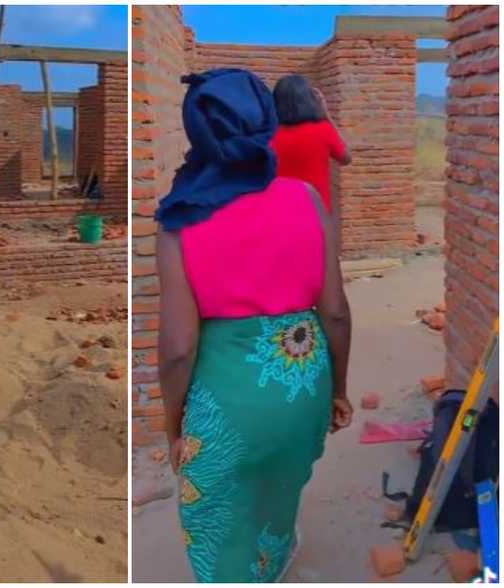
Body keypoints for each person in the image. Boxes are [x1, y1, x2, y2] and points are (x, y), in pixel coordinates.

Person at [153, 69, 353, 582]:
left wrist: (175, 425)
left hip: (229, 401)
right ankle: (274, 557)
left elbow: (179, 348)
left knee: (215, 513)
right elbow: (334, 310)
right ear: (265, 124)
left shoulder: (180, 220)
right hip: (303, 386)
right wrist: (338, 389)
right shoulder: (305, 198)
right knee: (279, 481)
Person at [270, 74, 351, 251]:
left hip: (280, 212)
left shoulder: (269, 136)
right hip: (317, 212)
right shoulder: (323, 130)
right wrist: (326, 115)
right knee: (316, 264)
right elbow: (346, 158)